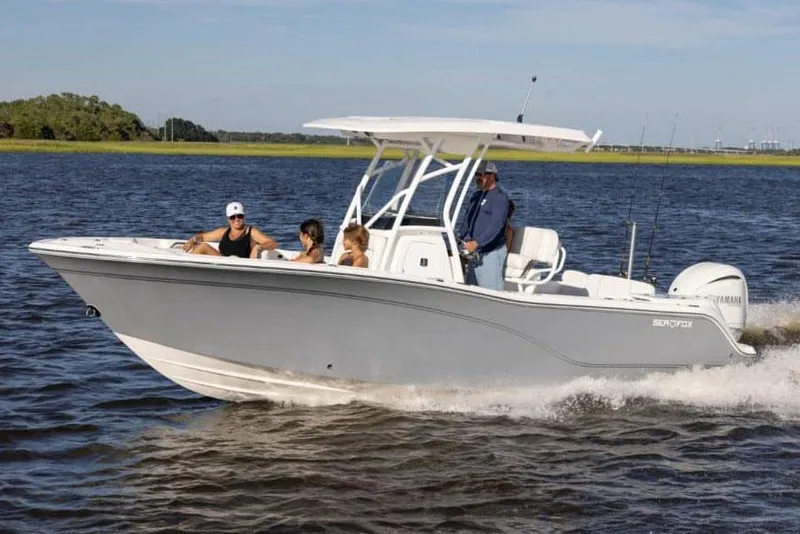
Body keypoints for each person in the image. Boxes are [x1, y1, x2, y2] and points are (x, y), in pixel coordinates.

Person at [458, 161, 510, 290]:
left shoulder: (500, 198)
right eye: (476, 175)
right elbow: (467, 221)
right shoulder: (476, 196)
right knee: (471, 290)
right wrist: (459, 239)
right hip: (473, 251)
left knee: (490, 291)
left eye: (481, 175)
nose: (478, 178)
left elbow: (496, 225)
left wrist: (477, 243)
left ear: (492, 176)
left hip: (490, 252)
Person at [183, 201, 277, 258]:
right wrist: (192, 240)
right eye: (233, 217)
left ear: (243, 217)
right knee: (203, 246)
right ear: (228, 219)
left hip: (240, 267)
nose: (236, 219)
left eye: (239, 216)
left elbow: (272, 243)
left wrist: (258, 247)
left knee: (203, 247)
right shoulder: (223, 232)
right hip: (222, 263)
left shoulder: (250, 231)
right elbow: (202, 237)